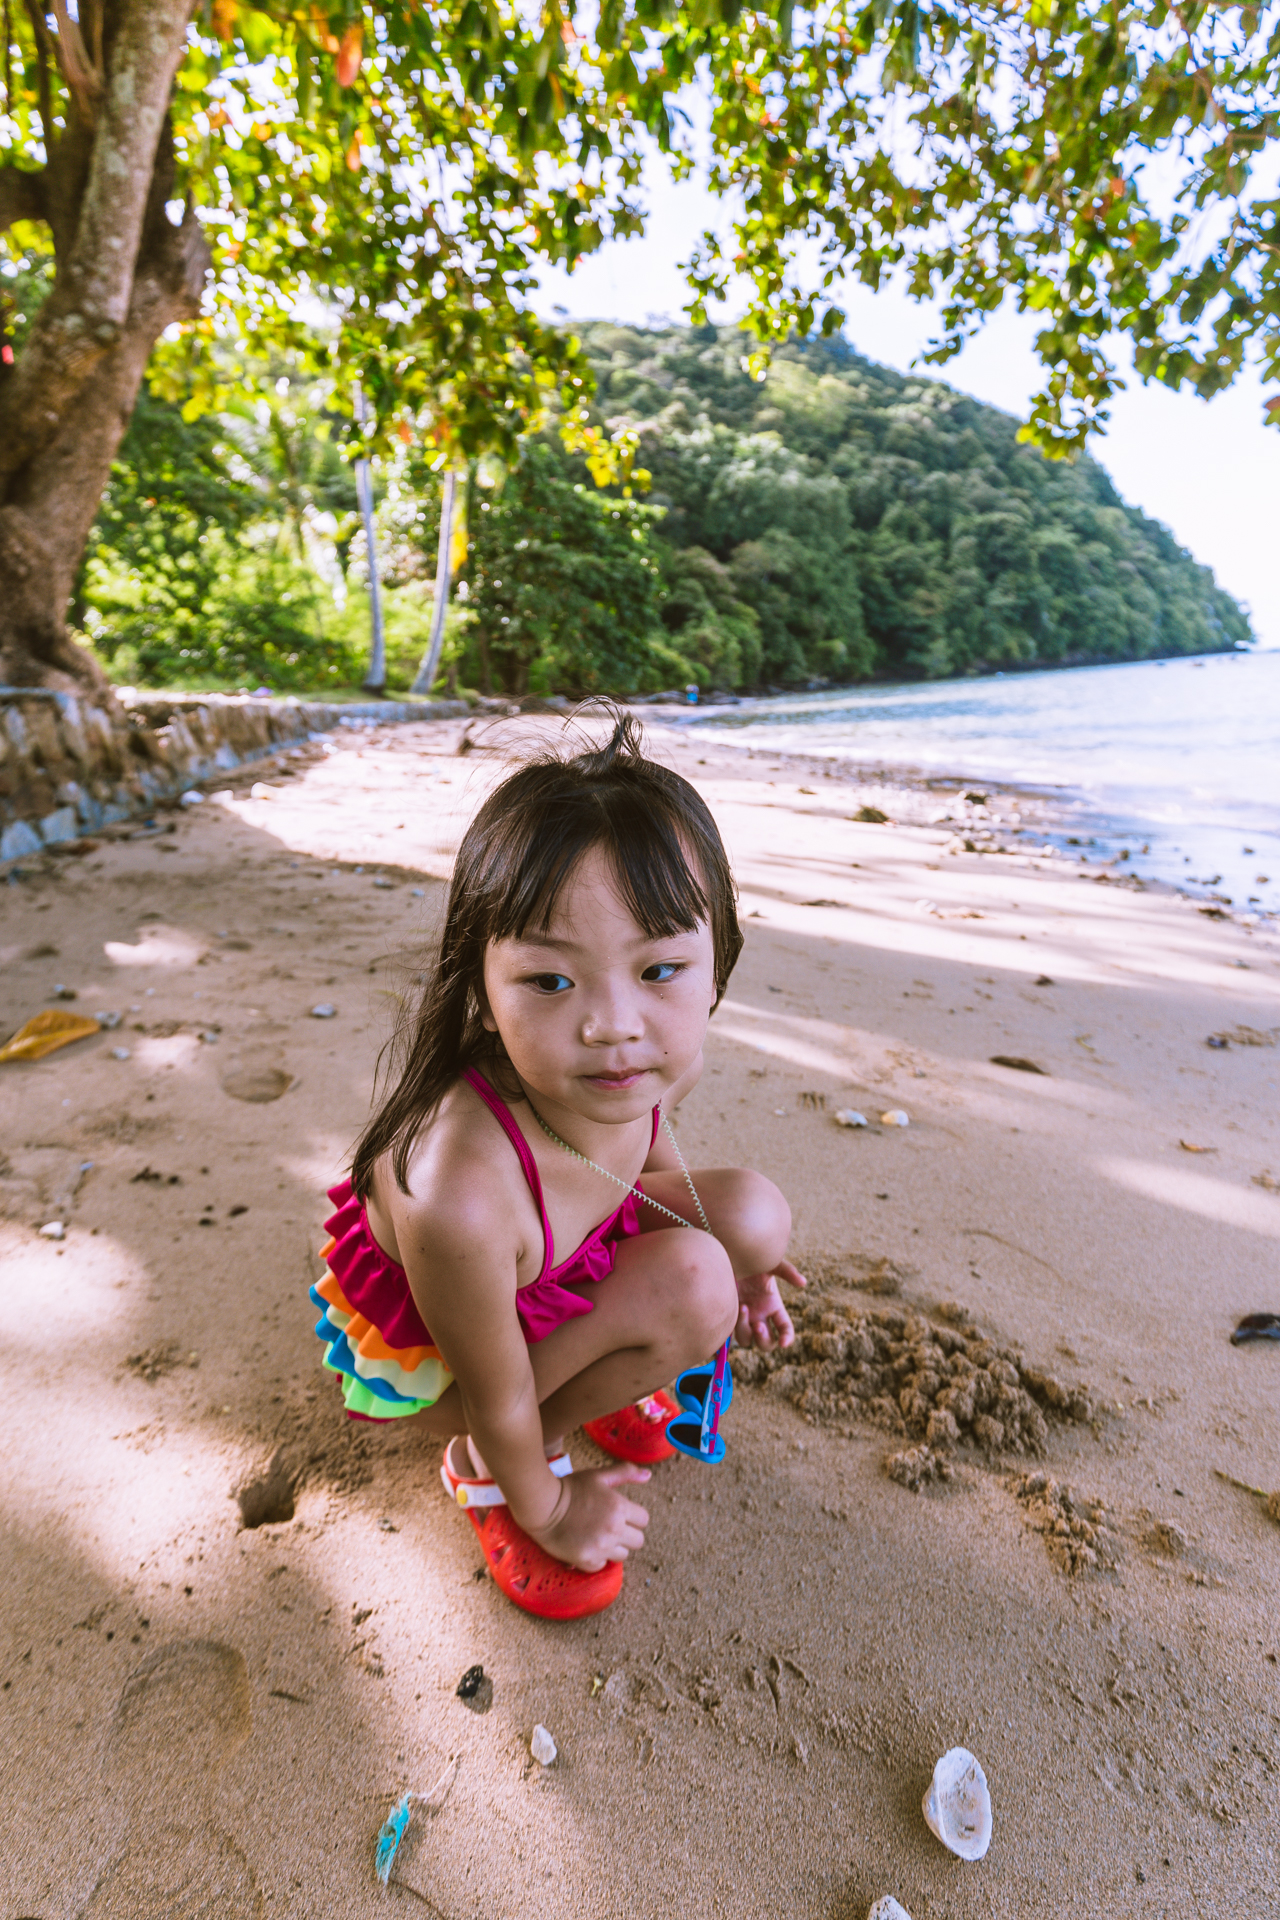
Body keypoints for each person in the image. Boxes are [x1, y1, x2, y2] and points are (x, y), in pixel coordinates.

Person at [310, 712, 804, 1619]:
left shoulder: (644, 1059)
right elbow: (494, 1398)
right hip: (465, 1349)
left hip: (561, 1252)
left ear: (716, 971)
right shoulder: (458, 1194)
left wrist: (752, 1266)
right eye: (550, 980)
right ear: (484, 995)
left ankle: (606, 1348)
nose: (613, 1023)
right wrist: (548, 1502)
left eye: (660, 971)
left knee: (750, 1222)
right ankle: (486, 1478)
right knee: (695, 1284)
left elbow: (652, 1153)